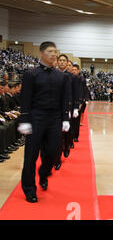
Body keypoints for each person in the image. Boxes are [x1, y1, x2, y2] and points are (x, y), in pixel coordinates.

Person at [18, 42, 71, 203]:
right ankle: (29, 189)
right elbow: (25, 98)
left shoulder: (61, 76)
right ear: (42, 53)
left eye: (55, 51)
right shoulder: (31, 74)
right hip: (36, 117)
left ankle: (43, 172)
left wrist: (65, 118)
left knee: (54, 152)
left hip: (54, 118)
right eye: (50, 51)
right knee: (31, 156)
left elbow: (64, 99)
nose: (53, 54)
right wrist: (25, 119)